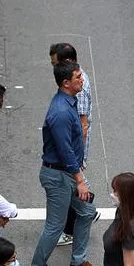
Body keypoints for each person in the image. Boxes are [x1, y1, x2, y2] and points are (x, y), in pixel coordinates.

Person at [26, 61, 103, 266]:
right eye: (78, 77)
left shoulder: (69, 102)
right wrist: (80, 179)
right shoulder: (60, 112)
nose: (83, 80)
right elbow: (64, 149)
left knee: (87, 212)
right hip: (59, 176)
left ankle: (78, 262)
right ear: (66, 83)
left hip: (66, 173)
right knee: (55, 225)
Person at [49, 43, 95, 248]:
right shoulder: (73, 82)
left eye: (55, 63)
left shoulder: (79, 85)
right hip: (73, 146)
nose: (53, 68)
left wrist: (79, 155)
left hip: (75, 148)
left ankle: (81, 215)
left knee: (73, 182)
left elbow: (83, 124)